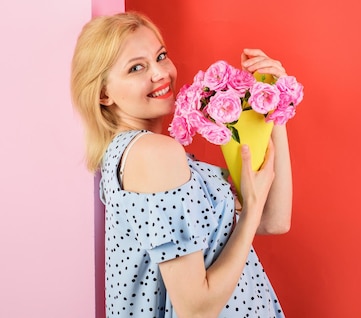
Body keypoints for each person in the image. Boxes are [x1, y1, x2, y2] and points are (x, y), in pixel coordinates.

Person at [70, 12, 292, 318]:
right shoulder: (153, 153)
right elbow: (195, 309)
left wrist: (274, 100)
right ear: (104, 93)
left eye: (161, 56)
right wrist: (251, 209)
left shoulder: (139, 154)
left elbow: (274, 221)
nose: (160, 73)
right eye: (136, 68)